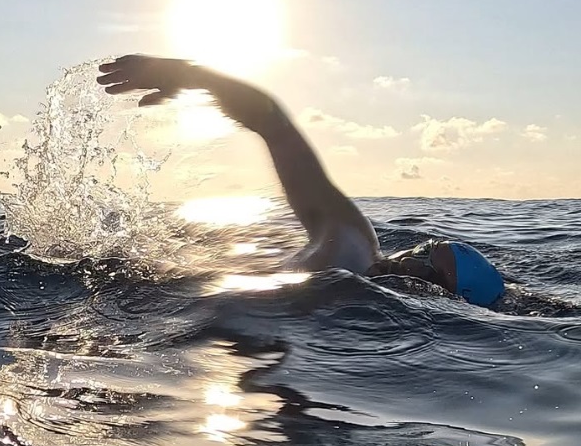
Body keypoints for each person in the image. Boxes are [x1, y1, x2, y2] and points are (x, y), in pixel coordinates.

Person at [97, 55, 505, 307]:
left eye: (426, 269)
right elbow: (271, 121)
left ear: (442, 298)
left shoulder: (349, 281)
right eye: (420, 249)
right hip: (158, 297)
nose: (407, 260)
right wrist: (195, 76)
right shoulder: (349, 240)